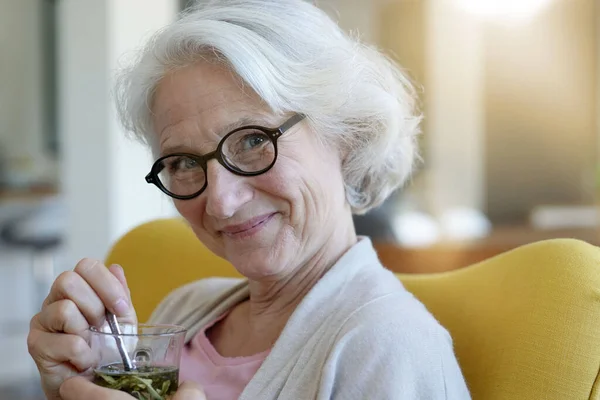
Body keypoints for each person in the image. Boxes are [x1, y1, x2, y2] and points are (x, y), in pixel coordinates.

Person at [27, 0, 471, 399]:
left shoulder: (389, 346)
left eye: (253, 139)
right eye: (182, 162)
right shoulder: (184, 311)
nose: (220, 202)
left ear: (347, 137)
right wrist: (68, 385)